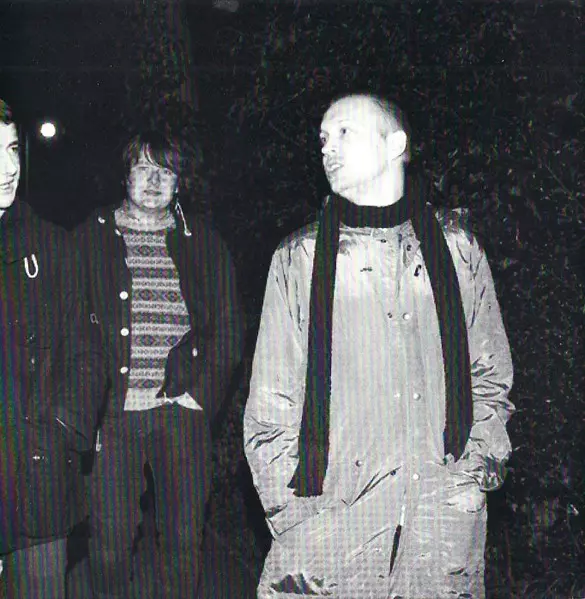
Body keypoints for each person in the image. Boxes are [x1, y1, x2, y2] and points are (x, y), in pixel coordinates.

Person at [243, 93, 515, 598]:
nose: (327, 148)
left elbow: (489, 375)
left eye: (344, 132)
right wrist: (299, 517)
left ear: (396, 144)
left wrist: (471, 478)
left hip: (439, 527)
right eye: (323, 139)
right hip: (332, 530)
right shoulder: (301, 259)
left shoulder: (457, 250)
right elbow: (270, 407)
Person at [75, 130, 245, 598]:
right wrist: (86, 401)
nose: (154, 181)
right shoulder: (89, 238)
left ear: (179, 182)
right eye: (143, 168)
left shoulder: (204, 243)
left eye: (165, 171)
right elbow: (68, 325)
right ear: (125, 175)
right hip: (112, 417)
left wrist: (200, 397)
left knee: (183, 540)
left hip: (180, 415)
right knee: (109, 543)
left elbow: (230, 327)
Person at [0, 97, 104, 598]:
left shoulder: (52, 246)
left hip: (35, 479)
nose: (8, 168)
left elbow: (87, 353)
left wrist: (60, 427)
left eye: (11, 149)